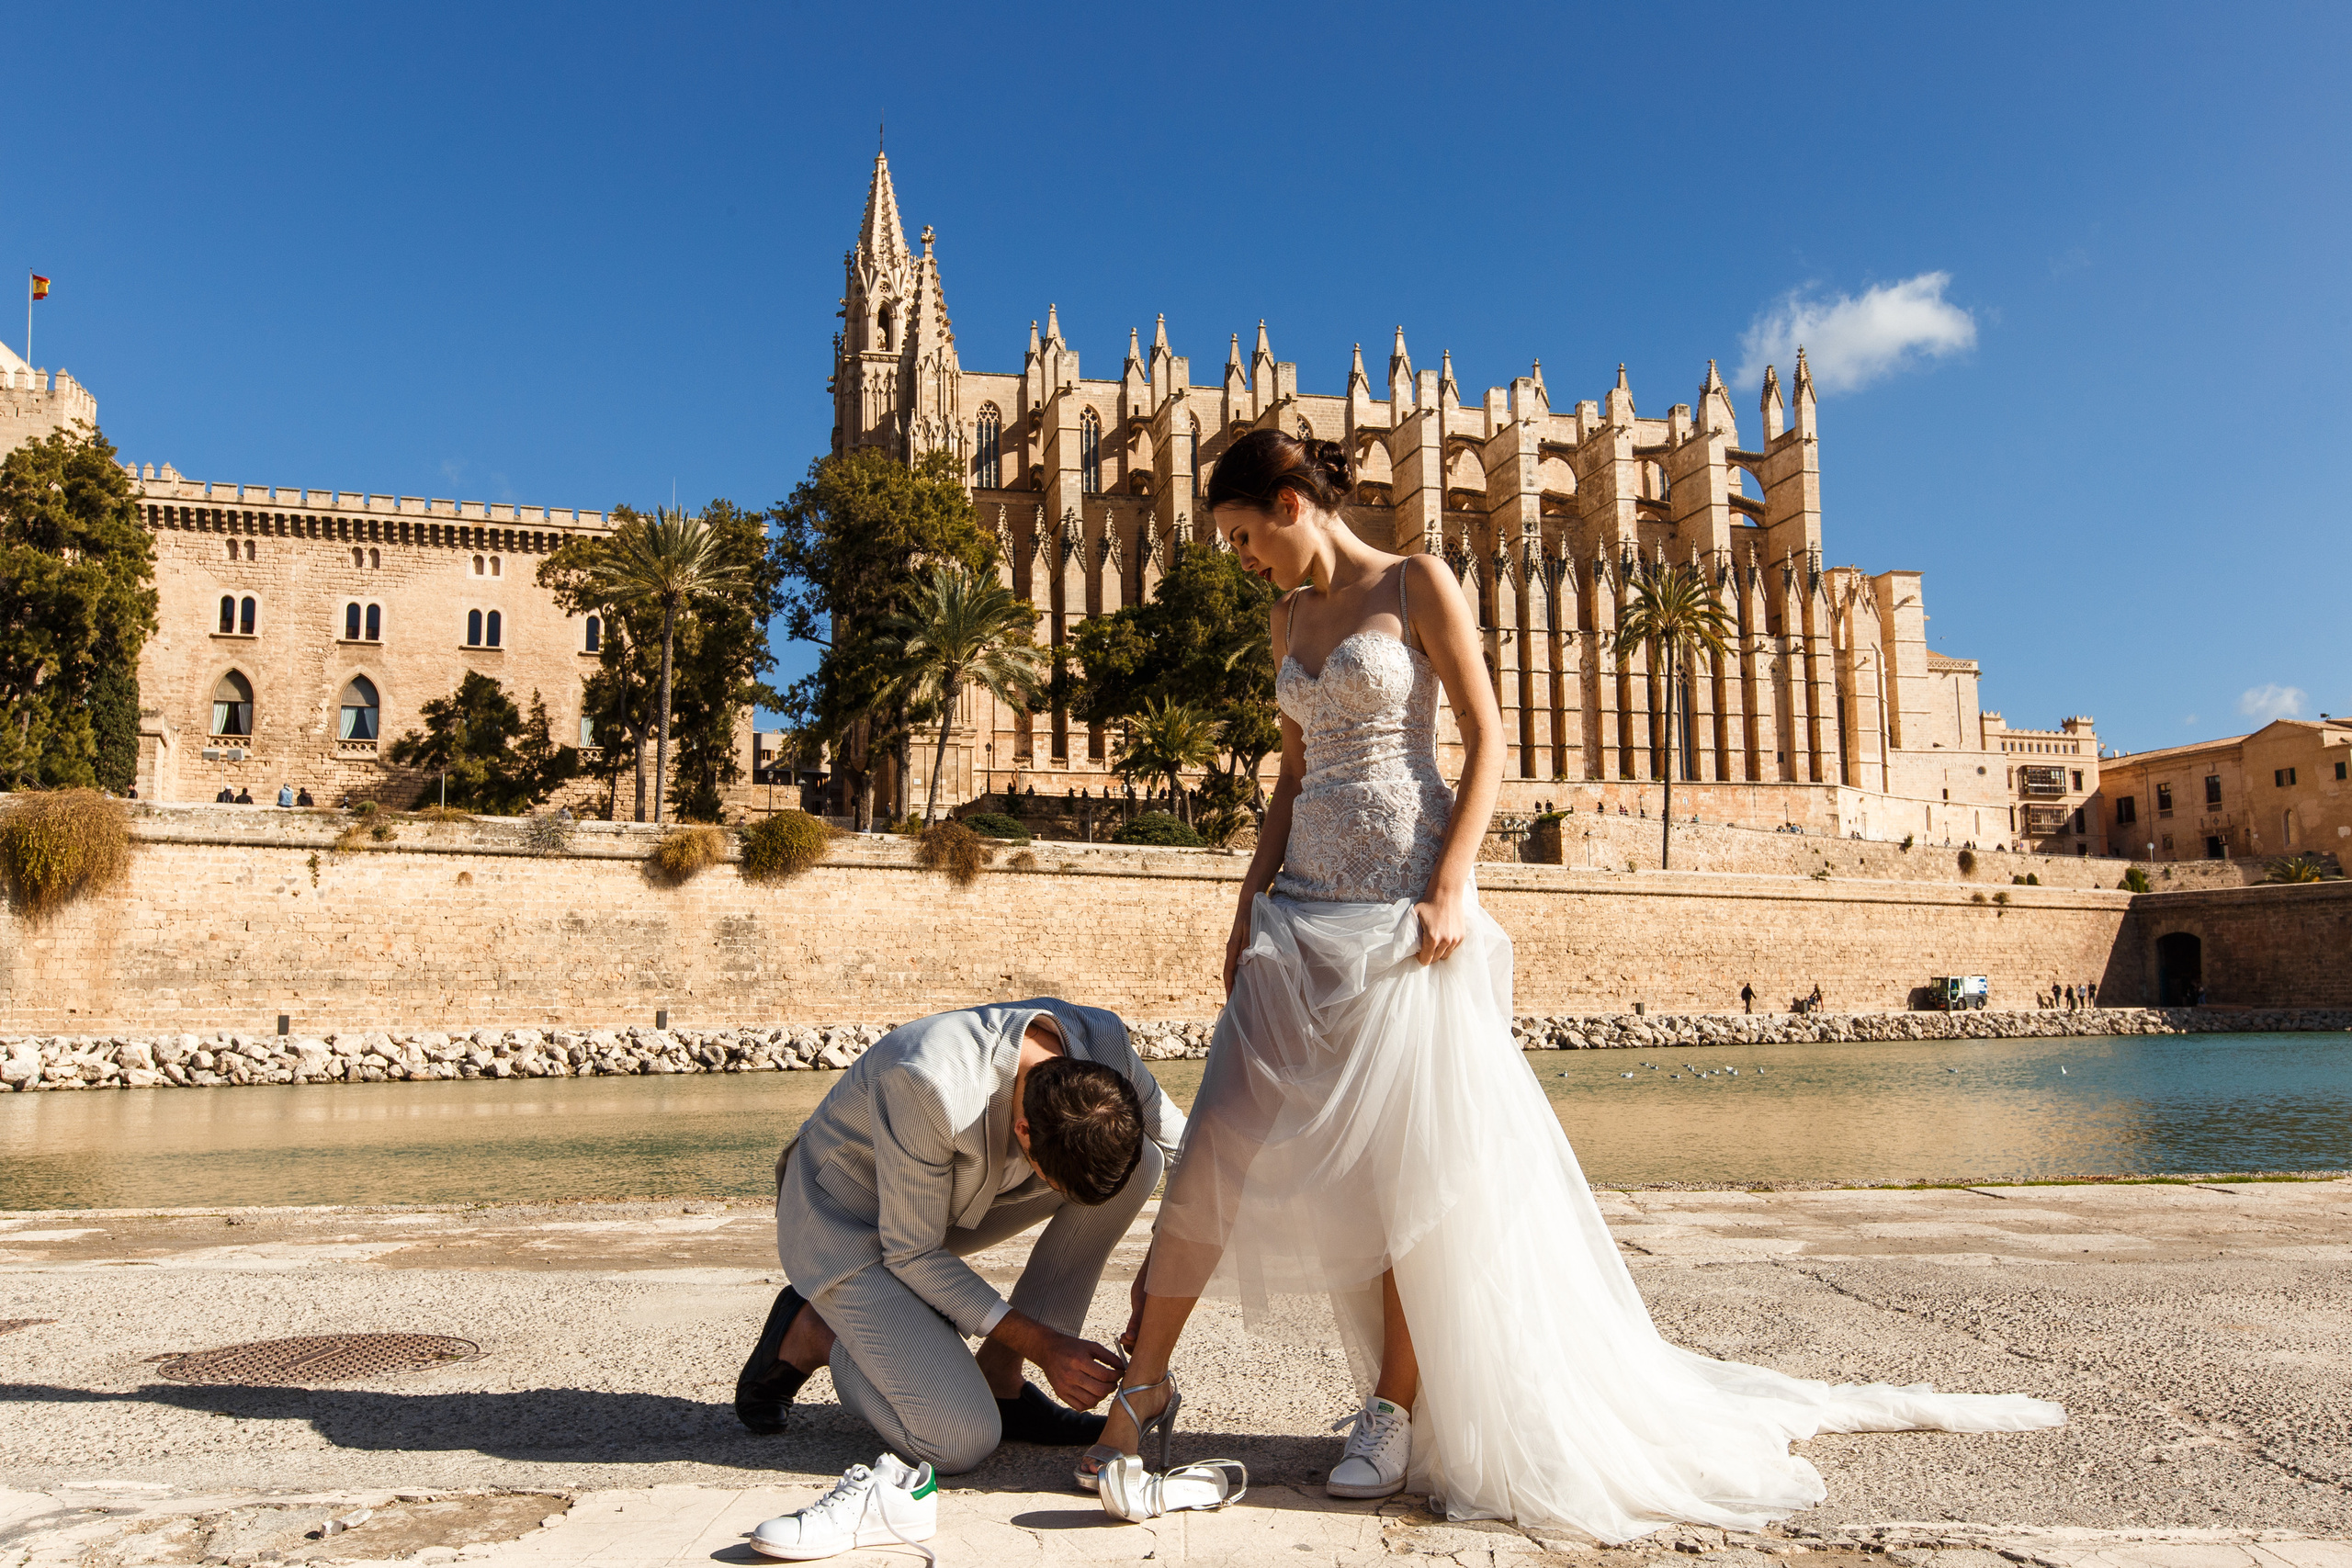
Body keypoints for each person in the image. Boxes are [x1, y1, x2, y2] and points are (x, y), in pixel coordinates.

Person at [1088, 430, 2062, 1540]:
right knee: (1213, 1145)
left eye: (1243, 535)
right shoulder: (1285, 621)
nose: (1240, 559)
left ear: (1292, 500)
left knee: (1413, 1175)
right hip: (1296, 915)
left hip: (1404, 912)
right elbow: (1293, 775)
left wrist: (1453, 884)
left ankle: (1392, 1409)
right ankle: (1142, 1390)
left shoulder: (1418, 582)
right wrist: (1243, 897)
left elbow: (1491, 737)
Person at [734, 998, 1185, 1478]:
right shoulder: (929, 1084)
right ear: (1024, 1131)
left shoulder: (1103, 1043)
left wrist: (1159, 1266)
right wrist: (1044, 1344)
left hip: (941, 1207)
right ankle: (817, 1332)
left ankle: (999, 1379)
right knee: (958, 1440)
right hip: (844, 1224)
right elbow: (914, 1254)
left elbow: (1192, 1150)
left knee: (1141, 1163)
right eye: (1052, 1179)